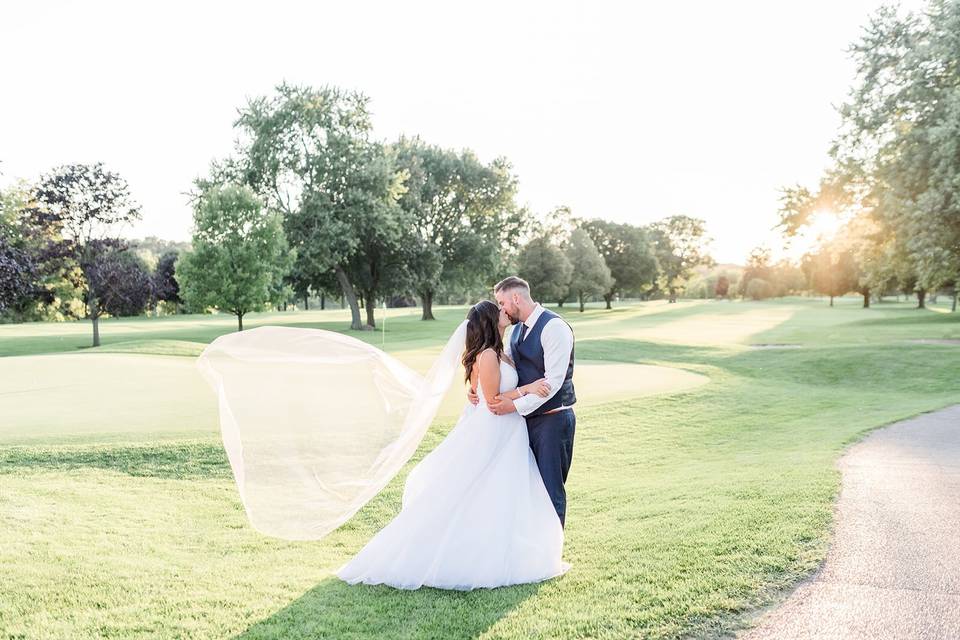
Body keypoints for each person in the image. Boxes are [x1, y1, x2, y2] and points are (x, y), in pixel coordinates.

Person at [334, 300, 571, 590]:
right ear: (490, 320)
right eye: (498, 309)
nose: (504, 311)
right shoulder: (487, 355)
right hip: (496, 429)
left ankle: (511, 546)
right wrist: (528, 388)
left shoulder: (500, 352)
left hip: (509, 431)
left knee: (503, 492)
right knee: (479, 490)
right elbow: (495, 401)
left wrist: (478, 392)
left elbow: (484, 393)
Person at [473, 276, 577, 528]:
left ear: (516, 298)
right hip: (522, 424)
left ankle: (551, 554)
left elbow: (551, 383)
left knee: (550, 489)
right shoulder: (517, 330)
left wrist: (513, 405)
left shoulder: (554, 327)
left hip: (552, 420)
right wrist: (475, 387)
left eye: (502, 302)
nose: (501, 309)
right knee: (527, 488)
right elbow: (502, 366)